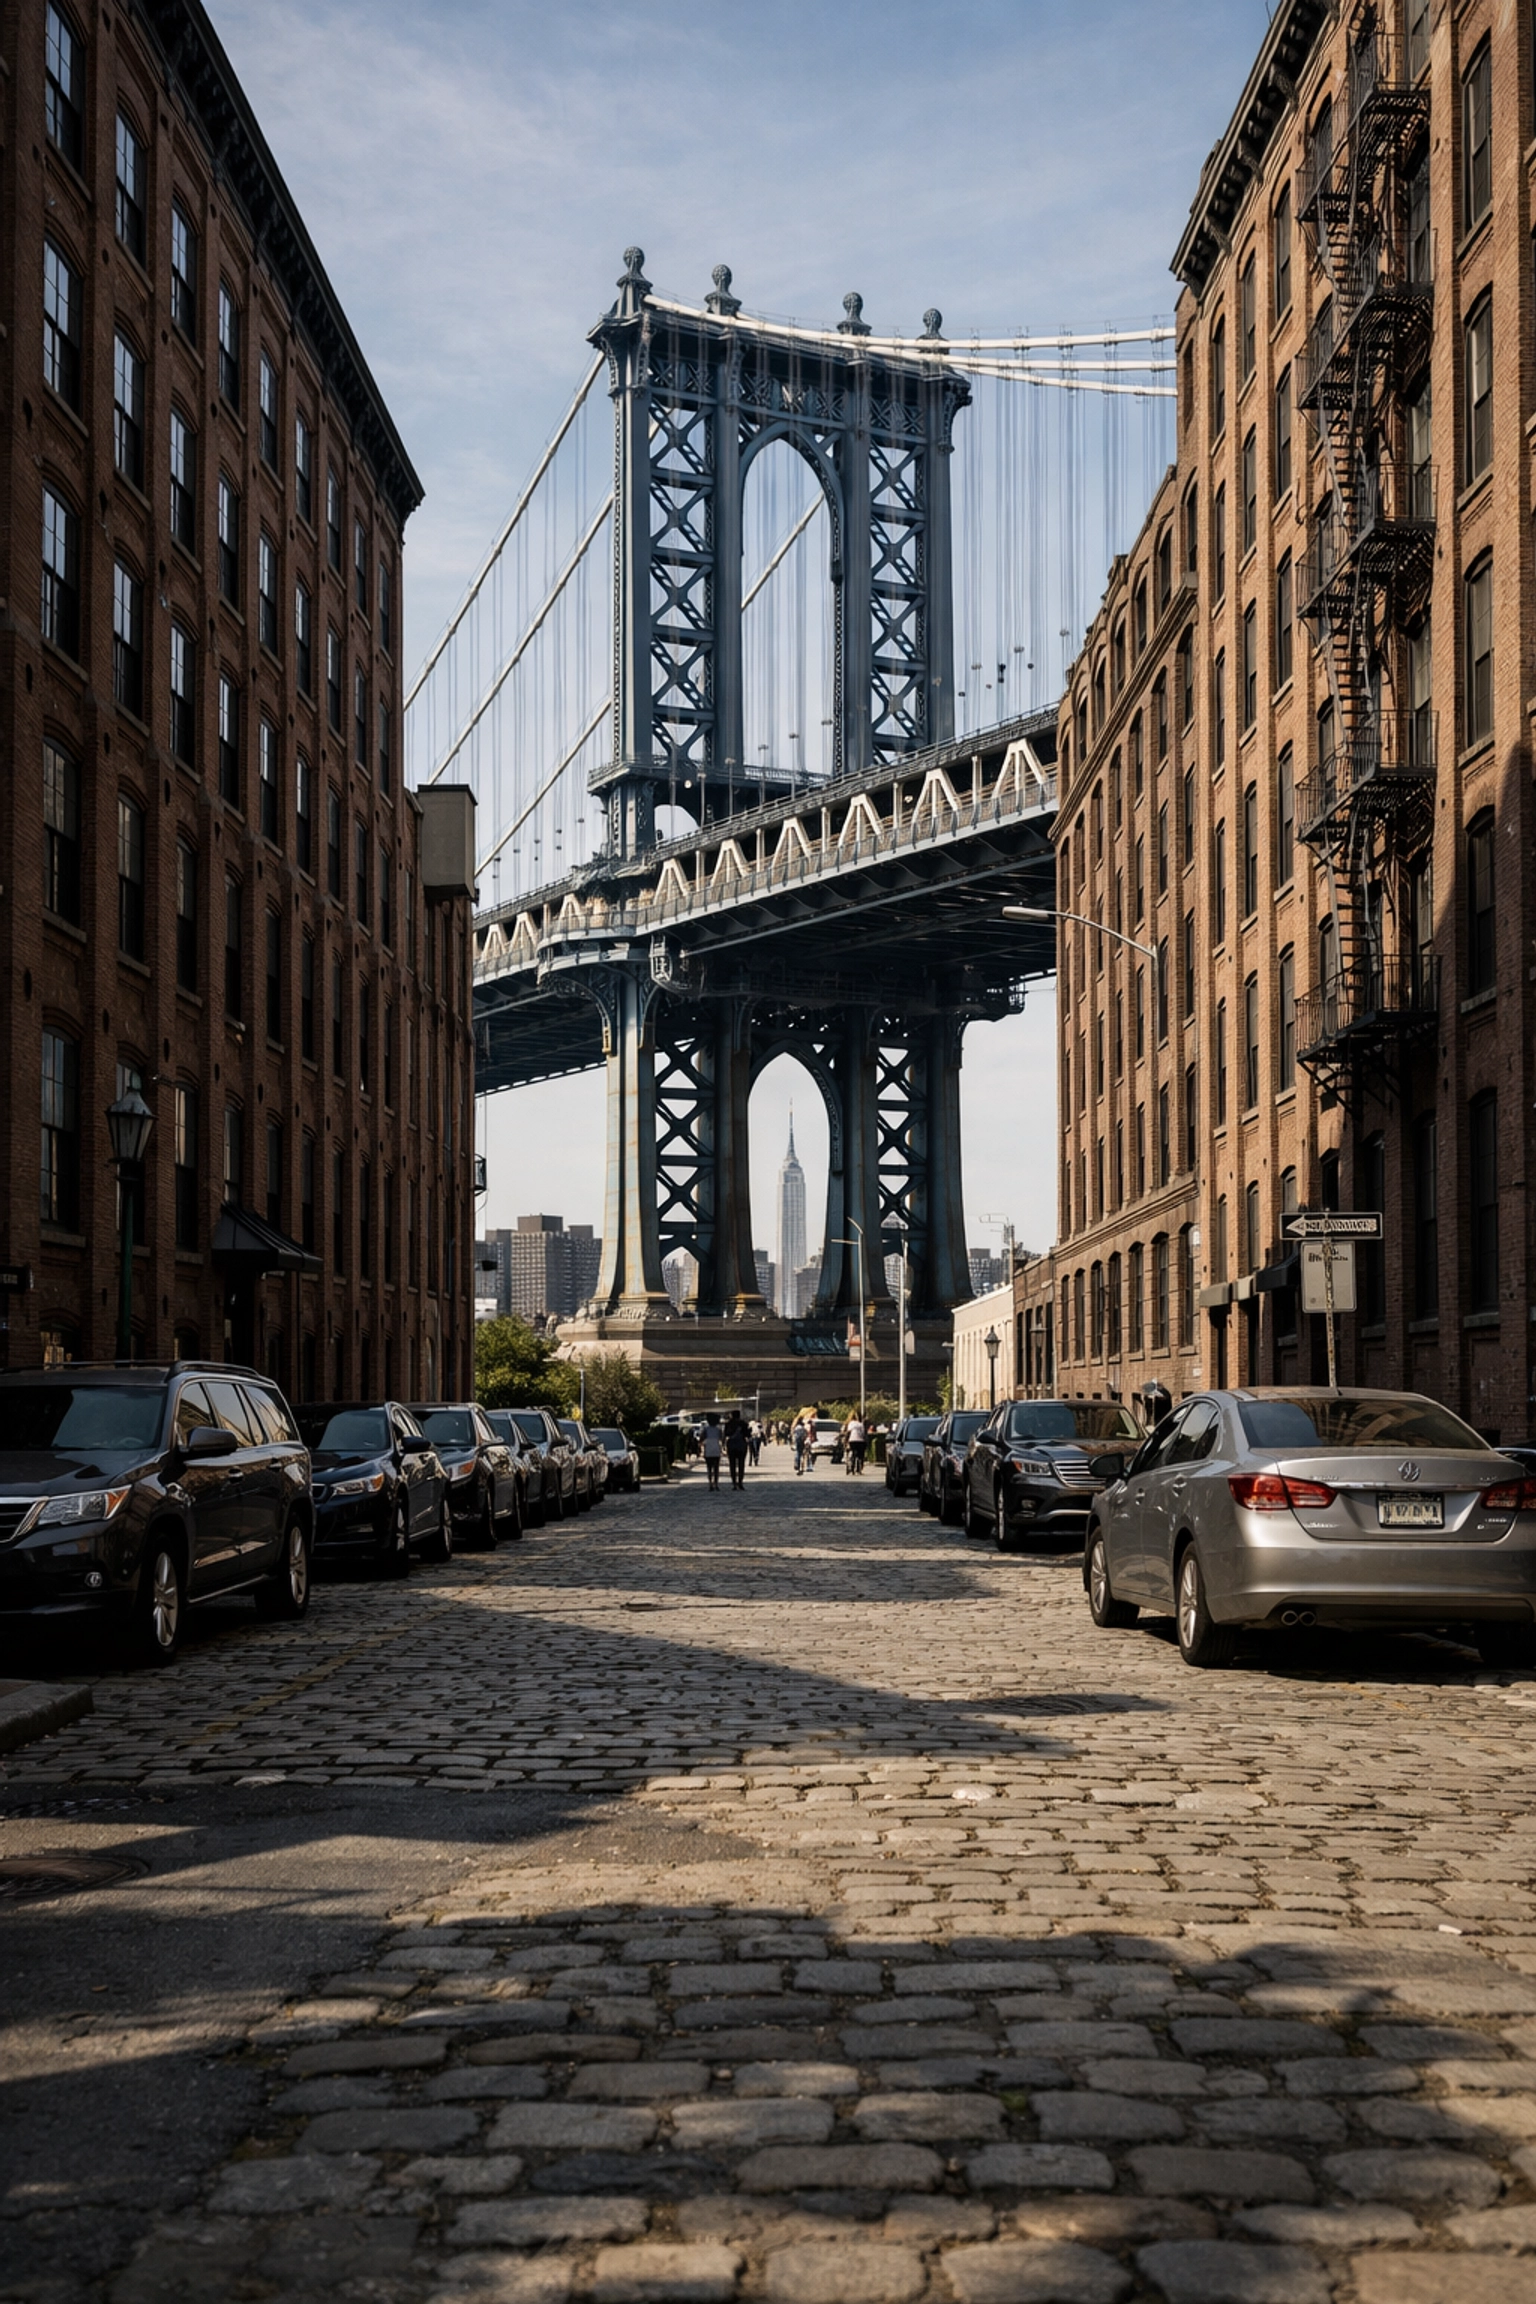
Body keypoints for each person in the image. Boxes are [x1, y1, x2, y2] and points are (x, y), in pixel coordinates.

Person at [725, 1410, 750, 1490]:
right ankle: (740, 1482)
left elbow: (726, 1434)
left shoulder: (728, 1424)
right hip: (741, 1445)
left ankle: (734, 1483)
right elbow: (747, 1435)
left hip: (731, 1445)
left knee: (732, 1465)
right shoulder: (744, 1424)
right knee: (741, 1465)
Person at [700, 1414, 723, 1490]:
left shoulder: (705, 1429)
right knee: (716, 1468)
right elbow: (722, 1439)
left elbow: (701, 1439)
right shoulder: (718, 1429)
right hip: (716, 1448)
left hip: (708, 1448)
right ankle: (716, 1484)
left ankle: (710, 1484)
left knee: (709, 1468)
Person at [845, 1411, 867, 1475]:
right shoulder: (860, 1424)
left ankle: (852, 1468)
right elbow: (863, 1434)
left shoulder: (851, 1423)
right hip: (860, 1441)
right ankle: (858, 1469)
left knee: (853, 1453)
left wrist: (846, 1441)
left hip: (852, 1440)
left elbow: (848, 1432)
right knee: (860, 1455)